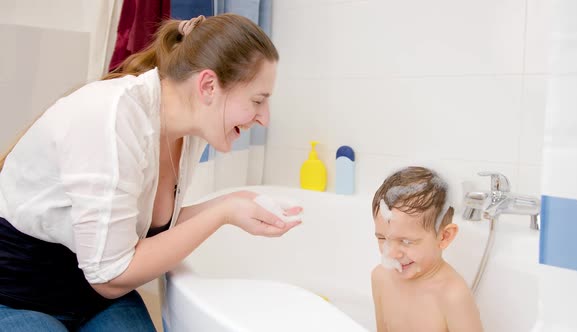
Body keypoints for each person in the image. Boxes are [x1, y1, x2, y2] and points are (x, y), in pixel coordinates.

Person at [0, 14, 301, 331]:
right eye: (257, 100)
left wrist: (236, 203)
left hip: (94, 297)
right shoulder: (111, 118)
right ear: (208, 86)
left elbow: (141, 225)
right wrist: (223, 213)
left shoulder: (191, 130)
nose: (264, 118)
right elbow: (110, 275)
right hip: (18, 291)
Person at [370, 166, 483, 332]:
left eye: (406, 241)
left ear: (444, 236)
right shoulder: (381, 278)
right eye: (382, 238)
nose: (392, 253)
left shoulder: (453, 296)